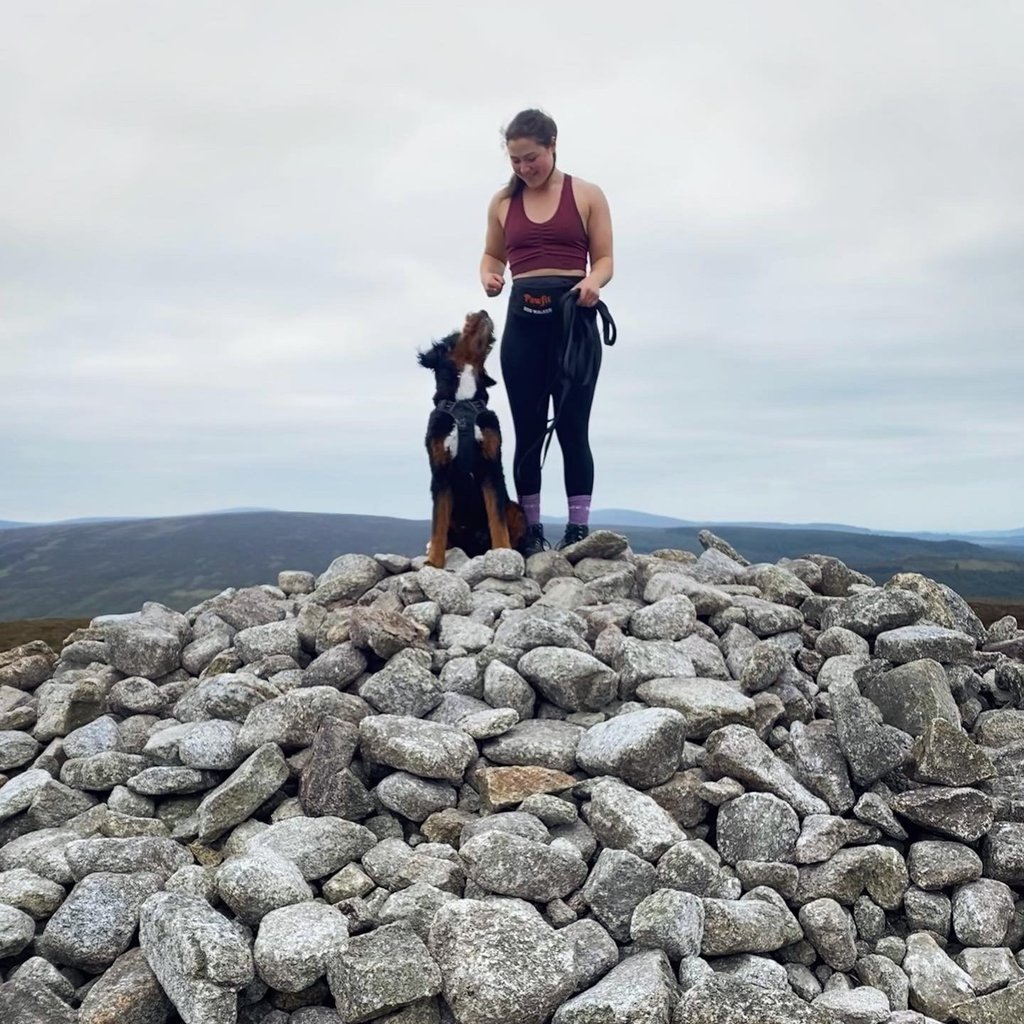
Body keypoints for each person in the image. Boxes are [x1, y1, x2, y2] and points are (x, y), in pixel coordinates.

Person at [479, 108, 614, 555]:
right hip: (523, 324)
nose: (523, 168)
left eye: (531, 158)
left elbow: (606, 260)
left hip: (574, 321)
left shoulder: (587, 194)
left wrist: (593, 282)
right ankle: (532, 532)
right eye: (515, 161)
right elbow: (491, 257)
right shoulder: (501, 202)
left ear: (553, 144)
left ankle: (578, 531)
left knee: (574, 427)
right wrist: (490, 277)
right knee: (529, 430)